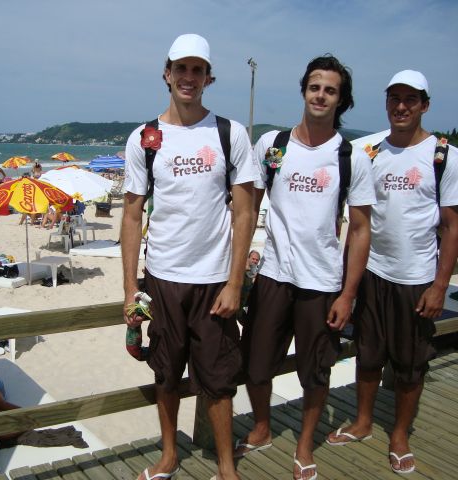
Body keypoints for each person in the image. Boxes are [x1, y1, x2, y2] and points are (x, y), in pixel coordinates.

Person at [121, 34, 258, 480]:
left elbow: (245, 212)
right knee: (165, 373)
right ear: (167, 74)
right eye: (181, 68)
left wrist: (235, 282)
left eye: (197, 70)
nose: (188, 77)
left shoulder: (230, 133)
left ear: (208, 78)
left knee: (219, 379)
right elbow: (131, 215)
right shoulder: (145, 138)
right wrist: (130, 289)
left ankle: (226, 466)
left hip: (215, 280)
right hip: (162, 278)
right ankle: (169, 455)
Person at [237, 55, 375, 480]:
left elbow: (360, 230)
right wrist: (237, 267)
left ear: (340, 100)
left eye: (330, 90)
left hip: (322, 281)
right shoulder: (273, 145)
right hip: (273, 275)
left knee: (315, 372)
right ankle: (262, 427)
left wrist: (348, 294)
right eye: (315, 87)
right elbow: (248, 208)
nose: (321, 95)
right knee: (256, 365)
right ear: (304, 91)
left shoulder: (350, 156)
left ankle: (304, 443)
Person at [326, 70, 458, 475]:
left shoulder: (444, 156)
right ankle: (363, 421)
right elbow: (353, 217)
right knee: (368, 353)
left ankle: (400, 434)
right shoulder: (367, 150)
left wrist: (439, 286)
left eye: (410, 99)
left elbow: (452, 226)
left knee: (410, 363)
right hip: (371, 272)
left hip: (416, 277)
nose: (401, 106)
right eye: (394, 98)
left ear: (425, 105)